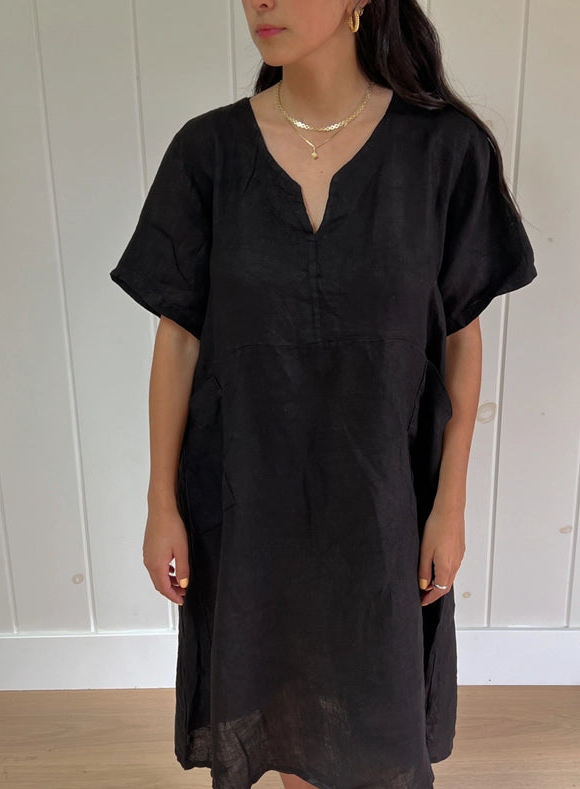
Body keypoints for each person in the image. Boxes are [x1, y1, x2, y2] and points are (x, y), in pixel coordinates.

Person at [109, 0, 537, 787]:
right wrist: (160, 500)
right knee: (281, 710)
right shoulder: (208, 154)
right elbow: (179, 338)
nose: (262, 2)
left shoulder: (444, 150)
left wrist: (450, 504)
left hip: (384, 502)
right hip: (248, 498)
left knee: (378, 719)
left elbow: (459, 336)